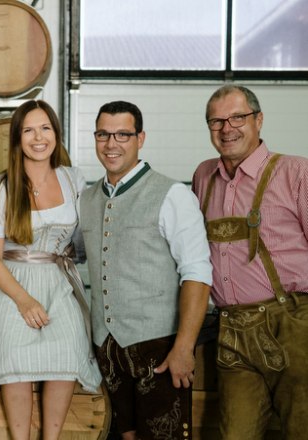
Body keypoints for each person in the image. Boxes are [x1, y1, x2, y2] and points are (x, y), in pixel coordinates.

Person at [0, 99, 101, 440]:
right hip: (11, 282)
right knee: (15, 362)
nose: (39, 137)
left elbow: (83, 242)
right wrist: (24, 301)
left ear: (56, 134)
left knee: (68, 356)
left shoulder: (73, 179)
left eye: (45, 128)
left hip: (58, 277)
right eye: (29, 130)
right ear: (17, 138)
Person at [78, 100, 212, 440]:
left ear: (141, 138)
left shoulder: (172, 195)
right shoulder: (87, 199)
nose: (112, 144)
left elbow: (196, 272)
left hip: (160, 349)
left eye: (123, 134)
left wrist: (184, 347)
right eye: (103, 134)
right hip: (107, 347)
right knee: (126, 435)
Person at [192, 85, 308, 439]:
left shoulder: (296, 172)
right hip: (232, 330)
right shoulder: (203, 176)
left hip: (293, 324)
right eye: (217, 121)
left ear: (258, 120)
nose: (227, 129)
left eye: (237, 118)